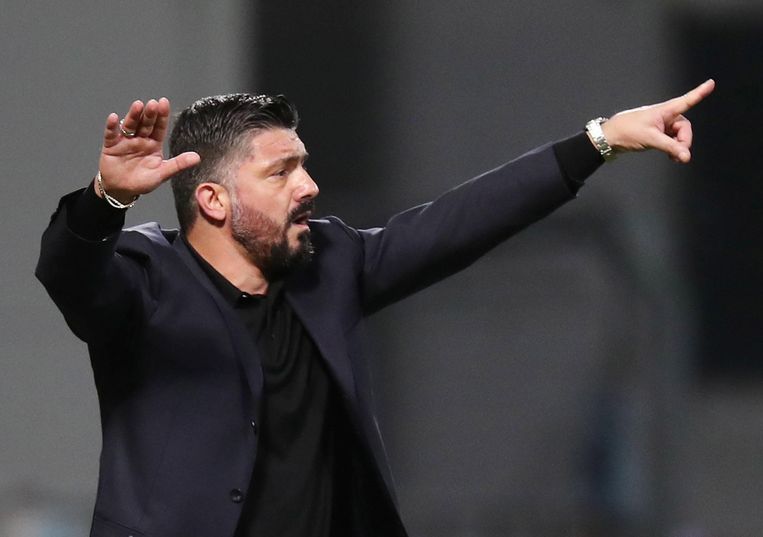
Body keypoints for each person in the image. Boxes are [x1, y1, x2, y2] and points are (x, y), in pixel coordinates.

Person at [36, 80, 715, 537]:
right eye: (281, 171)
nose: (309, 185)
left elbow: (457, 223)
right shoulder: (143, 279)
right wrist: (106, 200)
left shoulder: (329, 265)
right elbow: (70, 274)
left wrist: (598, 140)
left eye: (303, 164)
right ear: (213, 201)